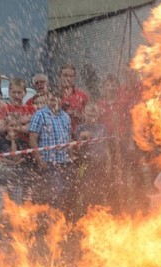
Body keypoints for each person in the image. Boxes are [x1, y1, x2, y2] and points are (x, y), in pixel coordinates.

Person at [28, 88, 75, 218]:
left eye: (56, 98)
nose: (54, 100)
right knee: (55, 195)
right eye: (51, 98)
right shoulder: (40, 115)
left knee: (66, 194)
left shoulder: (65, 116)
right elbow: (32, 139)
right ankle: (52, 224)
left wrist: (71, 156)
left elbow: (68, 138)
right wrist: (39, 160)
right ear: (48, 98)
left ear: (61, 100)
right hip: (49, 163)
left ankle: (63, 222)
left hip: (65, 162)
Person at [72, 103, 110, 213]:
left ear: (98, 115)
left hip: (101, 163)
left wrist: (108, 163)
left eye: (94, 115)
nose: (92, 118)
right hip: (87, 164)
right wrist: (81, 138)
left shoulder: (102, 128)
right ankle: (87, 214)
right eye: (89, 115)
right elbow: (77, 149)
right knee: (87, 191)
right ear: (84, 114)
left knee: (100, 190)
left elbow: (106, 147)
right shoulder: (80, 128)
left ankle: (99, 213)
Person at [59, 64, 89, 132]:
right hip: (60, 137)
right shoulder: (54, 96)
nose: (68, 79)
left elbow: (91, 117)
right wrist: (63, 114)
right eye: (65, 75)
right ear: (60, 77)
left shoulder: (82, 96)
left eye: (71, 76)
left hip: (78, 135)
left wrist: (79, 115)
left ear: (75, 78)